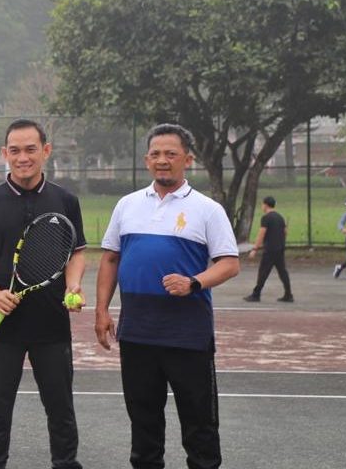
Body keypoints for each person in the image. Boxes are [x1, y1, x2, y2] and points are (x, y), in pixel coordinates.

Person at [96, 123, 240, 469]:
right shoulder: (127, 205)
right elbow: (110, 258)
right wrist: (101, 310)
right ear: (147, 160)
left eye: (171, 154)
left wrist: (194, 282)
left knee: (199, 426)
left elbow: (229, 264)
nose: (163, 160)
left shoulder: (208, 209)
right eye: (156, 154)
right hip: (137, 335)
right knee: (144, 426)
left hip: (188, 336)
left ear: (187, 160)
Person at [0, 119, 87, 469]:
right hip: (3, 325)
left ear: (45, 151)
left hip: (52, 323)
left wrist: (74, 283)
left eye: (30, 149)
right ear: (5, 154)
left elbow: (77, 252)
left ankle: (66, 463)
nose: (22, 157)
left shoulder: (66, 200)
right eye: (14, 150)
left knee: (60, 406)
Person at [243, 196, 292, 302]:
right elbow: (285, 232)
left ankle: (256, 295)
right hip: (279, 248)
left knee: (263, 271)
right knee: (282, 271)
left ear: (265, 205)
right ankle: (288, 294)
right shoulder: (280, 217)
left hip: (270, 249)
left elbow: (262, 233)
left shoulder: (266, 218)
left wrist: (255, 249)